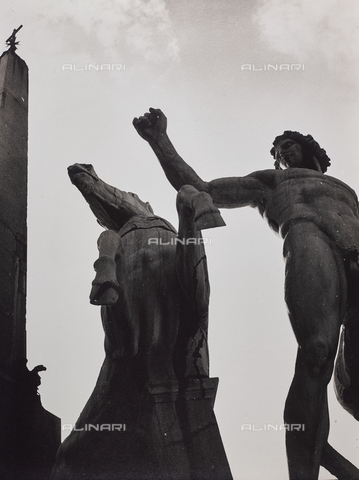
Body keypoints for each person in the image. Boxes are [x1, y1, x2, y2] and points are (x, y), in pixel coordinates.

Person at [133, 108, 359, 480]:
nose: (282, 154)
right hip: (309, 234)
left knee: (353, 391)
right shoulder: (269, 182)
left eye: (288, 146)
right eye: (277, 152)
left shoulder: (344, 189)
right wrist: (160, 141)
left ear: (310, 149)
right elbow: (202, 188)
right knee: (317, 351)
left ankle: (329, 456)